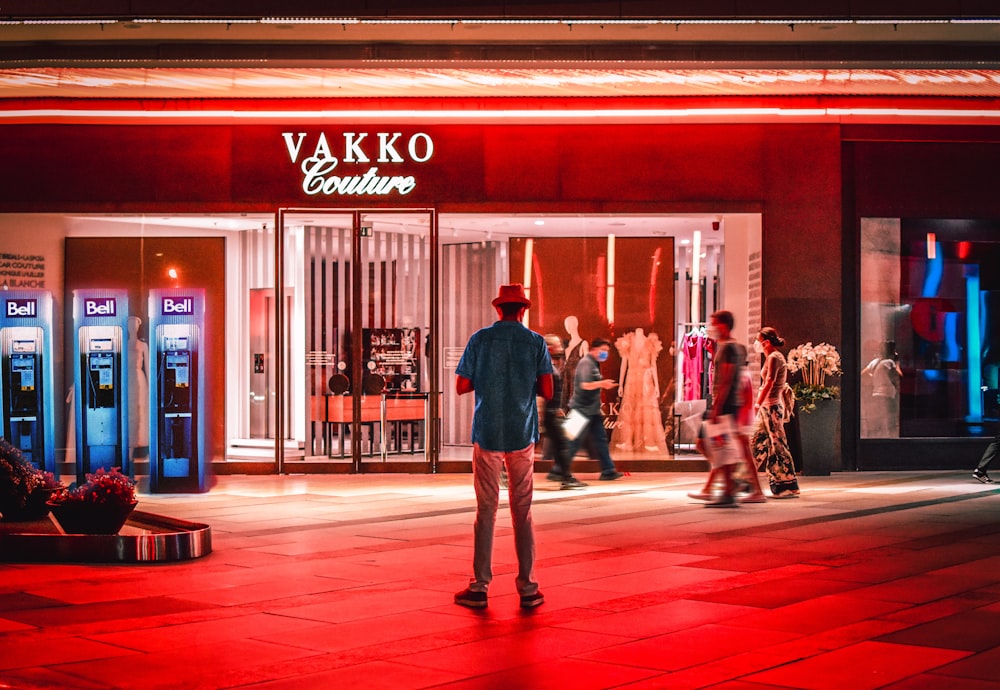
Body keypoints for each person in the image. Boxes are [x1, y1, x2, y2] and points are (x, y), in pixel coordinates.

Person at [453, 283, 551, 610]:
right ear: (522, 310)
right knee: (522, 512)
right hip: (522, 432)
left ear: (499, 309)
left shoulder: (480, 339)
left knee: (486, 511)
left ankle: (480, 586)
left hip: (488, 431)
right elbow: (548, 390)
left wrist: (490, 378)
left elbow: (461, 385)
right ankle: (528, 588)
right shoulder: (535, 342)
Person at [700, 310, 748, 507]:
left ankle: (729, 488)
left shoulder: (729, 348)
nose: (712, 328)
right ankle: (729, 485)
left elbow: (727, 380)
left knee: (721, 447)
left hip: (726, 404)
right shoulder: (730, 347)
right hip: (729, 403)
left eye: (715, 323)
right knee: (718, 446)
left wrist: (717, 407)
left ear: (724, 325)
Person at [564, 338, 624, 481]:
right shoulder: (586, 363)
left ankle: (608, 471)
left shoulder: (593, 363)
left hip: (592, 410)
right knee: (571, 442)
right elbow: (584, 385)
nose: (605, 354)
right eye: (603, 351)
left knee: (600, 440)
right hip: (580, 408)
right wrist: (602, 384)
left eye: (607, 352)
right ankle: (562, 472)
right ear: (594, 349)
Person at [750, 327, 800, 498]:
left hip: (771, 407)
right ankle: (745, 478)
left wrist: (757, 403)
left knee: (777, 444)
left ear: (767, 342)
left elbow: (770, 382)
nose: (756, 343)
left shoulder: (774, 357)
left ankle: (786, 483)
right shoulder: (772, 357)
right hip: (767, 406)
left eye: (758, 339)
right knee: (757, 441)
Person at [542, 334, 587, 489]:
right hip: (550, 413)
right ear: (549, 348)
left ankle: (563, 475)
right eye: (558, 345)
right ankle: (566, 478)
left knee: (560, 445)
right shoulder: (546, 367)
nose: (561, 348)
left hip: (552, 412)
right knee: (562, 445)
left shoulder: (549, 366)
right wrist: (554, 409)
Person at [615, 328, 668, 454]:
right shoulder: (628, 341)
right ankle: (629, 442)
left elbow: (653, 365)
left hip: (646, 381)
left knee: (646, 413)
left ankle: (645, 443)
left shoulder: (650, 342)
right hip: (631, 380)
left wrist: (657, 386)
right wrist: (620, 384)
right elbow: (624, 364)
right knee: (630, 412)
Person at [862, 341, 902, 437]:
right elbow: (898, 376)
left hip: (876, 395)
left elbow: (862, 374)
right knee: (891, 424)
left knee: (877, 423)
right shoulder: (889, 362)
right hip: (887, 396)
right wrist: (897, 363)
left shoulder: (875, 362)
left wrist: (873, 377)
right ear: (892, 351)